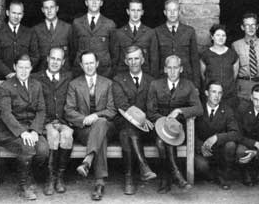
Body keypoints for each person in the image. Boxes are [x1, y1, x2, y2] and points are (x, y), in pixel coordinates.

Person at [64, 51, 116, 201]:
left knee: (101, 123)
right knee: (101, 137)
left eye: (91, 63)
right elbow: (69, 110)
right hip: (84, 129)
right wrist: (85, 118)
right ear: (81, 65)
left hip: (107, 125)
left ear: (97, 64)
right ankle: (99, 183)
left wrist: (96, 115)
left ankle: (88, 160)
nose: (89, 66)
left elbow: (112, 110)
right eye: (85, 63)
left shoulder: (108, 83)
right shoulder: (74, 84)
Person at [147, 55, 203, 193]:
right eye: (170, 68)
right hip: (158, 126)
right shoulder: (155, 84)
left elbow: (199, 109)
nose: (172, 71)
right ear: (165, 69)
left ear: (181, 69)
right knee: (161, 141)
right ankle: (175, 175)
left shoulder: (188, 85)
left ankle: (166, 178)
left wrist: (179, 110)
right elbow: (151, 112)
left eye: (176, 68)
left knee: (164, 141)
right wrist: (165, 122)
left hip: (178, 129)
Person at [0, 54, 48, 200]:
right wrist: (22, 133)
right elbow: (6, 114)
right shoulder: (5, 86)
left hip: (31, 128)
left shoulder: (36, 85)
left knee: (43, 150)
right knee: (27, 147)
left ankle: (29, 174)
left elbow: (41, 110)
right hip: (11, 130)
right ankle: (24, 185)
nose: (24, 71)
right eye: (20, 67)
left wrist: (34, 130)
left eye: (27, 68)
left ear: (31, 68)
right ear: (14, 67)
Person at [112, 45, 157, 195]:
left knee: (127, 134)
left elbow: (152, 105)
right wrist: (140, 119)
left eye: (136, 58)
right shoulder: (118, 79)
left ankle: (129, 178)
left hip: (146, 126)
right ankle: (142, 168)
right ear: (125, 61)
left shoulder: (151, 80)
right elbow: (122, 105)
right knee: (127, 130)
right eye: (130, 59)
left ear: (142, 60)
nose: (133, 62)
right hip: (125, 121)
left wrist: (145, 119)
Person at [32, 47, 73, 195]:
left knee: (67, 135)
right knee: (53, 135)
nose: (55, 62)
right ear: (48, 59)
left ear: (63, 62)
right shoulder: (36, 78)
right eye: (53, 59)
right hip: (46, 122)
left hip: (64, 121)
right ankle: (50, 178)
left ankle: (59, 177)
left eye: (59, 60)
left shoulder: (68, 77)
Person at [194, 81, 239, 190]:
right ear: (206, 93)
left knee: (231, 145)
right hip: (202, 151)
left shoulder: (227, 110)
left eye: (219, 93)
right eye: (213, 92)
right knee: (202, 166)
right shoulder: (198, 109)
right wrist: (201, 146)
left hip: (220, 151)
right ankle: (212, 174)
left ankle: (224, 176)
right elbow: (191, 133)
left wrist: (217, 137)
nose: (217, 96)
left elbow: (236, 133)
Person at [0, 0, 39, 85]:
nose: (16, 16)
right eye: (14, 13)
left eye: (19, 14)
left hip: (24, 79)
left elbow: (35, 56)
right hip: (3, 79)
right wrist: (9, 73)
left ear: (23, 15)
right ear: (7, 13)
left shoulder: (30, 33)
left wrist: (23, 72)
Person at [155, 0, 200, 88]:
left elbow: (195, 60)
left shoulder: (189, 31)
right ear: (164, 12)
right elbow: (155, 60)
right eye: (169, 10)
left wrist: (196, 85)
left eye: (175, 10)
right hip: (164, 79)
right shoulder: (157, 31)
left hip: (186, 78)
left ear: (179, 12)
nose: (172, 13)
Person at [72, 0, 116, 78]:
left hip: (103, 71)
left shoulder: (110, 24)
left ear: (101, 3)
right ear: (86, 2)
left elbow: (113, 50)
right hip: (81, 70)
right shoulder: (77, 23)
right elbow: (73, 47)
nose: (94, 2)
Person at [232, 13, 259, 100]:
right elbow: (234, 70)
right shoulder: (236, 45)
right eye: (247, 25)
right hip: (243, 85)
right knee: (243, 111)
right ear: (242, 27)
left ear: (257, 26)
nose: (250, 28)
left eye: (253, 25)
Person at [112, 0, 159, 77]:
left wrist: (152, 79)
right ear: (128, 11)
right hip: (123, 76)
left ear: (142, 12)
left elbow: (154, 59)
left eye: (138, 10)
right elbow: (115, 59)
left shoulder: (150, 32)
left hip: (144, 76)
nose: (135, 14)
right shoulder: (119, 33)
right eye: (133, 10)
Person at [200, 24, 239, 109]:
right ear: (212, 37)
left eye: (223, 35)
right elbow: (203, 75)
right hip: (212, 95)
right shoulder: (205, 55)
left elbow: (234, 74)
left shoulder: (232, 54)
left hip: (228, 95)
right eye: (218, 35)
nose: (221, 38)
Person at [33, 0, 73, 72]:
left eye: (52, 7)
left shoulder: (68, 28)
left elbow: (73, 52)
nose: (49, 10)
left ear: (57, 8)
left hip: (63, 74)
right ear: (42, 10)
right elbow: (35, 55)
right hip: (43, 74)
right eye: (46, 8)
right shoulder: (36, 30)